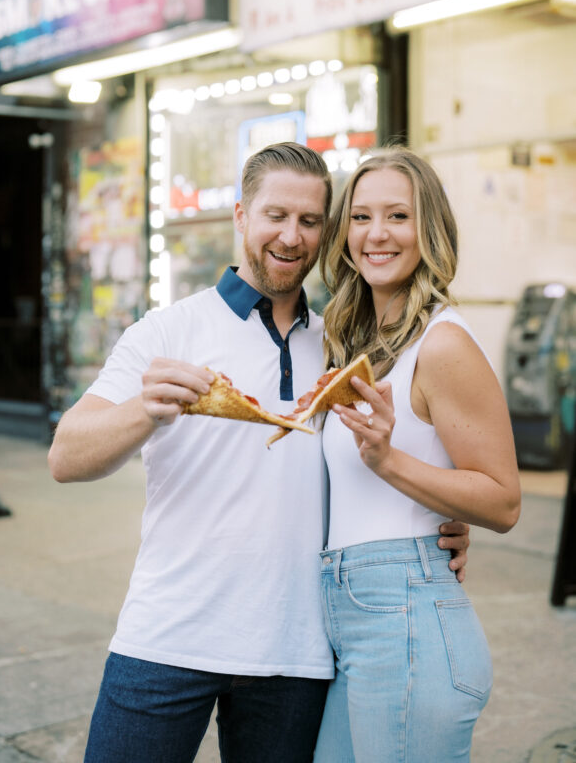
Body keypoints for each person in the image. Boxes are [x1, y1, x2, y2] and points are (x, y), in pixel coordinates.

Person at [48, 142, 470, 763]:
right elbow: (65, 457)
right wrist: (146, 409)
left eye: (309, 221)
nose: (291, 237)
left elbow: (380, 463)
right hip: (166, 639)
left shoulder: (341, 343)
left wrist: (443, 525)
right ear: (241, 215)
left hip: (296, 652)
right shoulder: (167, 330)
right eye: (276, 215)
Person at [313, 147, 521, 763]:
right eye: (360, 216)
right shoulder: (357, 341)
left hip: (406, 620)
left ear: (427, 232)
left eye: (397, 217)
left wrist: (389, 462)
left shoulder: (443, 342)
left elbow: (504, 500)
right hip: (357, 620)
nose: (376, 234)